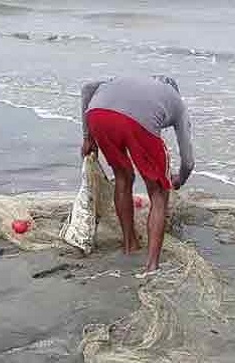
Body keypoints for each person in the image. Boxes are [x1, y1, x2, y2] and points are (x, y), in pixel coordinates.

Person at [80, 75, 195, 274]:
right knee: (159, 193)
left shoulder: (124, 81)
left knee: (123, 178)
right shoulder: (177, 103)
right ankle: (152, 266)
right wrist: (179, 179)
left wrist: (87, 137)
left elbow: (87, 88)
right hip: (137, 123)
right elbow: (188, 161)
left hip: (97, 115)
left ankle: (129, 245)